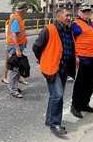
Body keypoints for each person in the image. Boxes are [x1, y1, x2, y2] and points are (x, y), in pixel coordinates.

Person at [32, 7, 76, 135]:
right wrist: (42, 59)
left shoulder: (68, 30)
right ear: (58, 17)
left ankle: (49, 119)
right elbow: (36, 47)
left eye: (70, 16)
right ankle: (55, 123)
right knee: (58, 94)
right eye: (67, 15)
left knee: (55, 95)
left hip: (64, 67)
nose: (69, 18)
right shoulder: (49, 29)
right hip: (52, 67)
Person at [70, 3, 93, 119]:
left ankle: (84, 104)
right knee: (81, 83)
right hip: (83, 58)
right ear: (79, 13)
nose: (87, 13)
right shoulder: (75, 25)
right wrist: (74, 56)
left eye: (88, 11)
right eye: (84, 11)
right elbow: (71, 41)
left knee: (91, 82)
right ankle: (75, 105)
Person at [5, 4, 28, 93]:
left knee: (17, 68)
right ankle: (13, 89)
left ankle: (13, 87)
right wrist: (18, 49)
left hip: (16, 47)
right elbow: (13, 34)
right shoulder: (16, 19)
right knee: (14, 69)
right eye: (26, 10)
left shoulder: (17, 19)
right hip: (14, 48)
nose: (26, 12)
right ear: (22, 11)